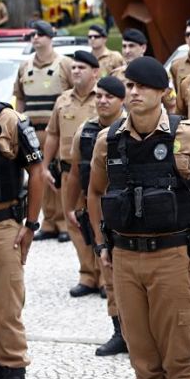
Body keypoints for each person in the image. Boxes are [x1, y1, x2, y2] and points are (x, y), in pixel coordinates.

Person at [86, 56, 190, 379]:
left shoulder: (188, 135)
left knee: (179, 364)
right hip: (125, 260)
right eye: (130, 85)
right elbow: (94, 193)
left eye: (142, 86)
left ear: (162, 92)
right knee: (143, 365)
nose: (134, 92)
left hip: (172, 258)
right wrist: (101, 246)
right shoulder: (107, 140)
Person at [0, 62, 44, 379]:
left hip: (2, 227)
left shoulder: (9, 121)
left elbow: (37, 172)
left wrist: (31, 225)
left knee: (7, 314)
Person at [65, 76, 127, 356]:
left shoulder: (131, 128)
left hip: (130, 214)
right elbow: (76, 173)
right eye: (98, 96)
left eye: (108, 96)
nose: (102, 101)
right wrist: (68, 208)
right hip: (99, 211)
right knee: (110, 277)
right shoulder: (86, 132)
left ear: (121, 100)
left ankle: (140, 334)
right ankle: (119, 333)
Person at [43, 51, 101, 298]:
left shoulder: (104, 97)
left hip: (97, 173)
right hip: (69, 173)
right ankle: (88, 275)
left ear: (95, 72)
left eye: (82, 68)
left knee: (99, 222)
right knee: (74, 223)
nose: (76, 71)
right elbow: (52, 134)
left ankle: (105, 278)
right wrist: (45, 165)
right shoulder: (62, 100)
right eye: (74, 67)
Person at [14, 20, 74, 242]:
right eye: (33, 34)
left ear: (50, 37)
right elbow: (20, 97)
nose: (35, 37)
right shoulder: (24, 66)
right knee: (39, 174)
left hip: (56, 131)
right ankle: (48, 222)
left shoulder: (64, 64)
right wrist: (17, 123)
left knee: (59, 175)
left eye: (40, 34)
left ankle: (64, 223)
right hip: (32, 130)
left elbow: (72, 94)